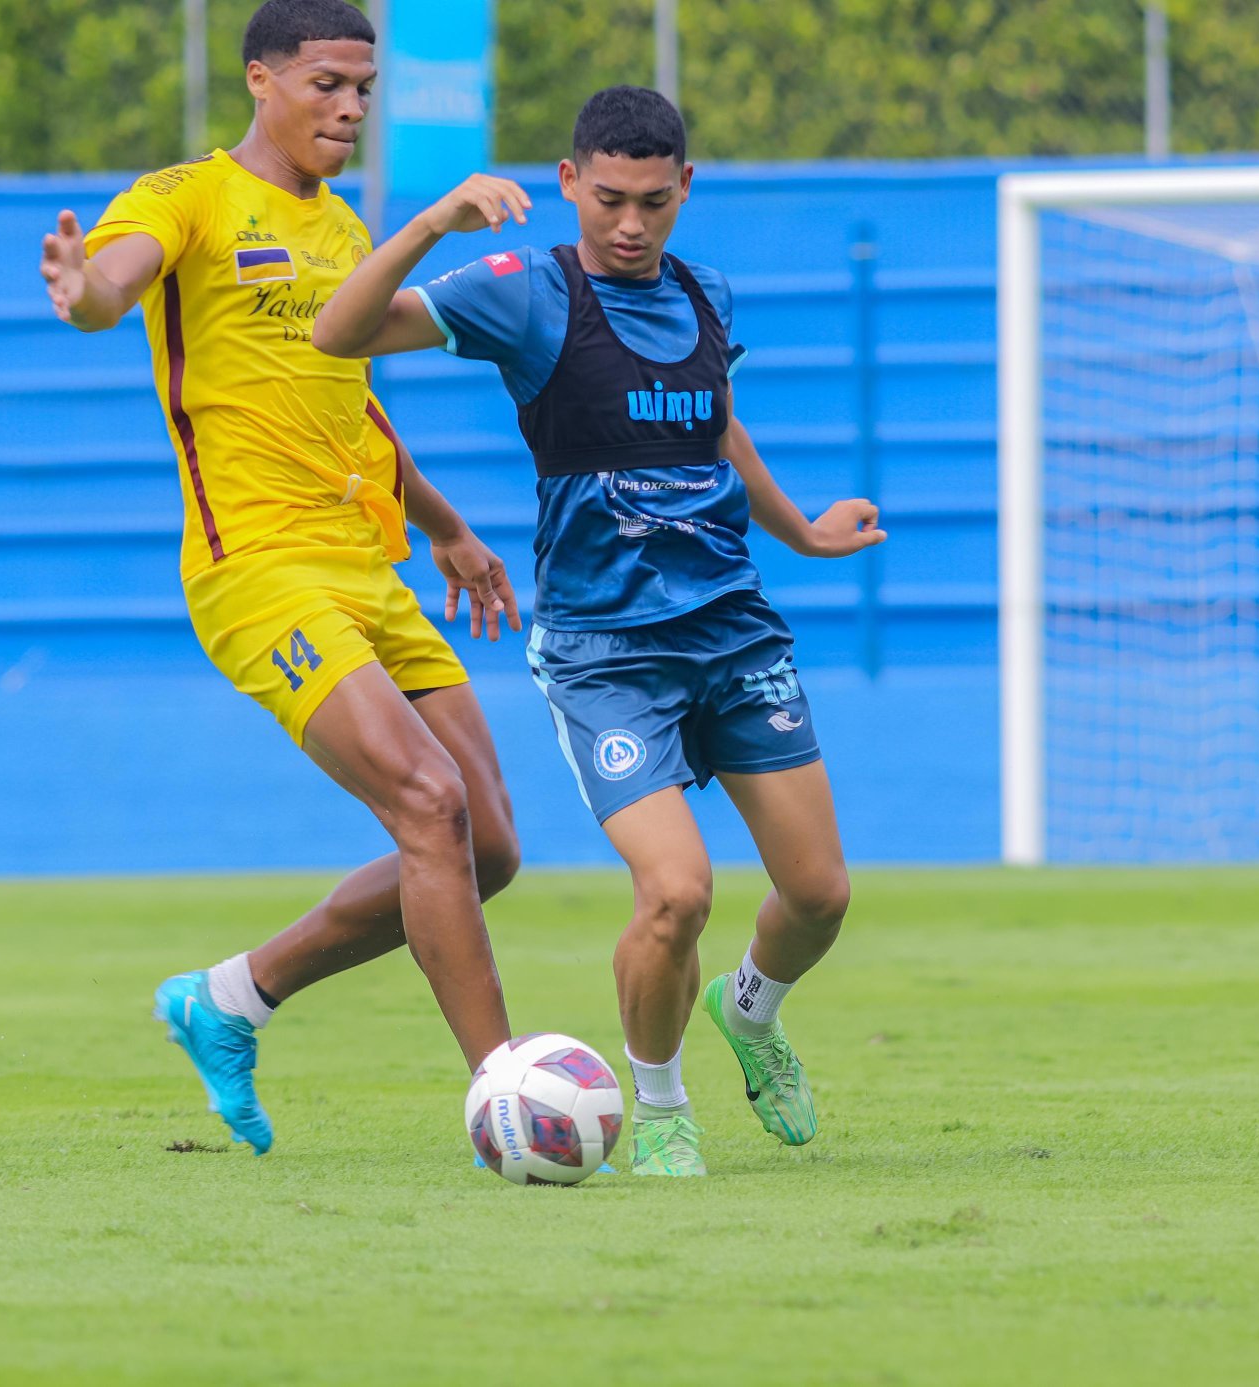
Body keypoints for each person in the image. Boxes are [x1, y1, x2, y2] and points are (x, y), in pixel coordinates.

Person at [314, 86, 886, 1176]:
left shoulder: (704, 297)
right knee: (676, 891)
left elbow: (716, 427)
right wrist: (434, 223)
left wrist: (803, 536)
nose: (630, 226)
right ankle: (661, 1104)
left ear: (684, 192)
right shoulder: (526, 292)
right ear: (569, 183)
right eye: (609, 200)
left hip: (732, 633)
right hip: (606, 653)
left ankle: (750, 1011)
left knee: (818, 895)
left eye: (655, 204)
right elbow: (341, 335)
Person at [37, 0, 525, 1154]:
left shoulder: (344, 231)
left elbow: (352, 403)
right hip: (255, 568)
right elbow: (115, 279)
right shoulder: (191, 196)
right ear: (260, 79)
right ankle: (505, 1091)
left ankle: (233, 995)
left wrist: (447, 526)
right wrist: (89, 292)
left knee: (489, 847)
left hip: (371, 566)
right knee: (428, 803)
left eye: (364, 88)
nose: (350, 108)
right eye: (325, 84)